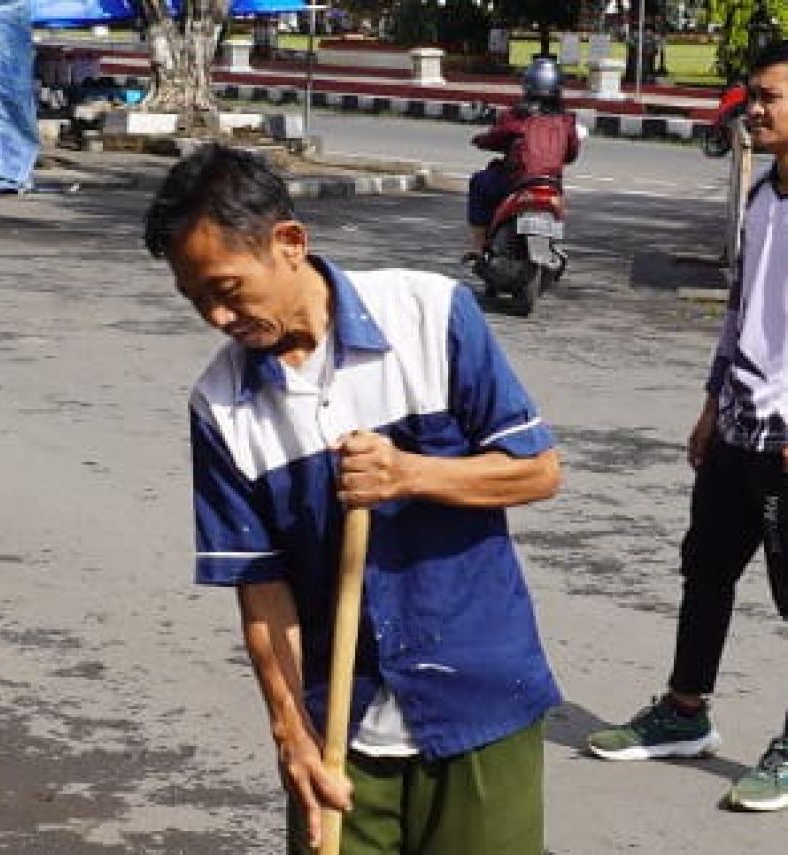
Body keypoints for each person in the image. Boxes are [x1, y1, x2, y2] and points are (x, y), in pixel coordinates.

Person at [145, 144, 562, 853]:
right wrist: (290, 732)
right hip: (341, 731)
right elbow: (260, 585)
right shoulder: (220, 406)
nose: (216, 316)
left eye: (227, 288)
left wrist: (411, 474)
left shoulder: (430, 316)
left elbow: (537, 471)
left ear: (290, 243)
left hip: (479, 701)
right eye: (195, 299)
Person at [585, 40, 788, 813]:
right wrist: (711, 405)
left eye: (769, 96)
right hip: (740, 424)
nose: (754, 109)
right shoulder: (764, 194)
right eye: (753, 95)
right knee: (706, 569)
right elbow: (741, 311)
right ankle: (684, 710)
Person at [463, 57, 580, 262]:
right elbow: (571, 154)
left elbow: (495, 137)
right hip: (551, 184)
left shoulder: (518, 116)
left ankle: (478, 246)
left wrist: (480, 140)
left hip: (518, 182)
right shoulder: (567, 120)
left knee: (479, 182)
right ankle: (551, 247)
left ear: (527, 85)